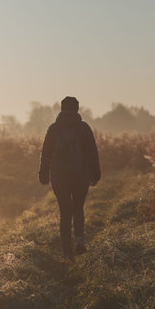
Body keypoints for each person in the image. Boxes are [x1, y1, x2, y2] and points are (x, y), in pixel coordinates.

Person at [38, 96, 101, 262]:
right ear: (77, 109)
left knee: (65, 213)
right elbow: (92, 153)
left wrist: (43, 174)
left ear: (61, 109)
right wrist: (96, 173)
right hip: (81, 175)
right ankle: (79, 240)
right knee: (78, 208)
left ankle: (67, 253)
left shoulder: (54, 129)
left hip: (60, 177)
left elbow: (46, 153)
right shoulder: (84, 128)